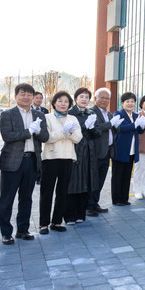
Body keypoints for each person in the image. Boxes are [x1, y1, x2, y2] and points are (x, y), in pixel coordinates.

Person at [0, 83, 48, 245]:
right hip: (12, 161)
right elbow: (7, 136)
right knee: (7, 198)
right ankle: (6, 232)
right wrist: (28, 132)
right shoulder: (7, 114)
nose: (26, 97)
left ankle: (23, 229)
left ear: (33, 97)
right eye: (22, 94)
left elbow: (45, 137)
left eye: (29, 94)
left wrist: (38, 131)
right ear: (15, 96)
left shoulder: (39, 115)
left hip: (32, 160)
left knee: (26, 198)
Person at [40, 91, 82, 234]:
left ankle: (57, 222)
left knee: (63, 192)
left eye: (66, 101)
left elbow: (78, 138)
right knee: (47, 192)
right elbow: (47, 138)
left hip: (67, 158)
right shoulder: (47, 117)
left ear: (69, 104)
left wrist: (69, 132)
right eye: (60, 101)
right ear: (54, 103)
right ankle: (43, 224)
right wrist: (63, 132)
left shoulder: (73, 118)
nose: (63, 104)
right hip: (50, 158)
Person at [65, 88, 98, 225]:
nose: (84, 99)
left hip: (89, 152)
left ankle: (81, 214)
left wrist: (92, 128)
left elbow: (96, 134)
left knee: (86, 183)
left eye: (87, 97)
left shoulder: (91, 113)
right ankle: (69, 215)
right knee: (73, 183)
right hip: (75, 151)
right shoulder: (70, 114)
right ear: (76, 98)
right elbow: (70, 133)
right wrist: (84, 127)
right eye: (81, 97)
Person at [88, 88, 117, 215]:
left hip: (107, 152)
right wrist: (110, 124)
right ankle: (89, 206)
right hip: (96, 152)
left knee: (101, 179)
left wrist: (116, 125)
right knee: (93, 180)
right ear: (96, 98)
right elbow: (96, 129)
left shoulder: (109, 114)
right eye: (102, 97)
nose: (105, 100)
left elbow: (112, 130)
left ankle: (95, 203)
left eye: (107, 98)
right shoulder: (91, 112)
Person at [111, 92, 140, 205]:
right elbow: (120, 128)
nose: (130, 104)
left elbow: (139, 131)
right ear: (122, 103)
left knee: (127, 175)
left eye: (132, 101)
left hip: (131, 150)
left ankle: (124, 198)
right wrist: (135, 125)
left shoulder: (136, 116)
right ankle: (116, 199)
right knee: (117, 176)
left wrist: (142, 125)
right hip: (120, 149)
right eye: (127, 101)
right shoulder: (118, 114)